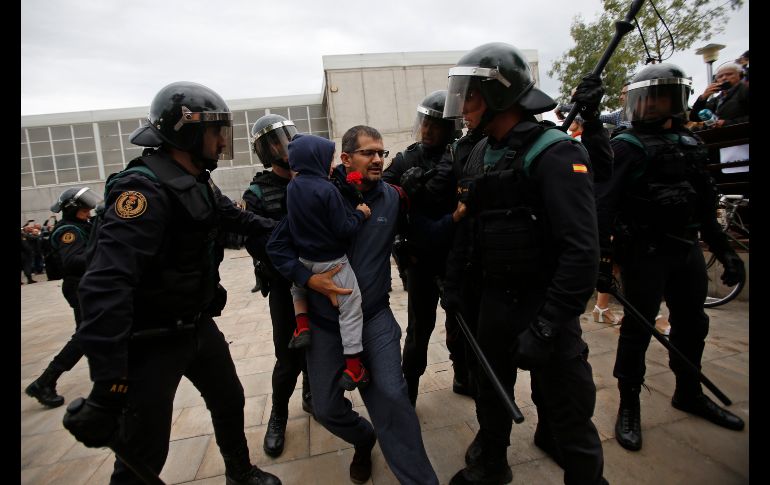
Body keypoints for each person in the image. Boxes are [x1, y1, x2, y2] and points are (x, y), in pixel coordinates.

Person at [61, 81, 281, 485]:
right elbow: (106, 285)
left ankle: (240, 472)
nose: (222, 142)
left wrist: (290, 232)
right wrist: (108, 384)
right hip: (150, 341)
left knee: (228, 399)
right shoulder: (142, 189)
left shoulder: (196, 178)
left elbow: (238, 219)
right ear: (188, 131)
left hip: (195, 324)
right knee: (145, 449)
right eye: (217, 132)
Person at [441, 42, 608, 485]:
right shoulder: (480, 152)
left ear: (498, 95)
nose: (464, 108)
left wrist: (550, 324)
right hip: (494, 300)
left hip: (543, 304)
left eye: (471, 96)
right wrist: (454, 287)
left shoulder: (554, 152)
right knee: (490, 394)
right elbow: (468, 227)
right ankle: (492, 463)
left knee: (570, 414)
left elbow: (581, 252)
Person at [267, 125, 439, 485]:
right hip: (326, 325)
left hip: (374, 317)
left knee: (392, 396)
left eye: (381, 152)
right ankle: (364, 440)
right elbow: (278, 248)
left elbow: (423, 235)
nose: (377, 159)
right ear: (345, 160)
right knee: (327, 409)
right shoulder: (318, 196)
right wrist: (308, 278)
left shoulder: (393, 199)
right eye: (368, 153)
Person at [595, 63, 746, 453]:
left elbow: (704, 203)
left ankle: (689, 392)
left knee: (693, 324)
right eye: (648, 99)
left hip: (686, 251)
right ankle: (629, 405)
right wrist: (601, 262)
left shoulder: (691, 145)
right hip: (645, 254)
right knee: (638, 330)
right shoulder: (626, 145)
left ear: (676, 100)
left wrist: (726, 251)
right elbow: (604, 207)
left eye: (663, 98)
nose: (655, 106)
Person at [382, 90, 472, 405]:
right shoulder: (406, 158)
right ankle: (409, 390)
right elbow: (380, 198)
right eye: (424, 122)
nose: (426, 130)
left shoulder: (462, 157)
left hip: (455, 258)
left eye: (435, 124)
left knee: (459, 324)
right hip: (420, 258)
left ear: (451, 126)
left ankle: (463, 374)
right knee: (419, 330)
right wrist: (401, 189)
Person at [242, 113, 314, 458]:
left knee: (319, 347)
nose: (284, 146)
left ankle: (312, 394)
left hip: (321, 282)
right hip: (285, 287)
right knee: (287, 357)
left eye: (286, 137)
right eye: (274, 142)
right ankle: (278, 415)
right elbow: (258, 244)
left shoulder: (313, 178)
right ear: (264, 150)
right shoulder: (256, 192)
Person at [283, 132, 373, 396]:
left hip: (304, 260)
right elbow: (343, 228)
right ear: (316, 159)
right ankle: (354, 366)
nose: (331, 164)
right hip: (333, 264)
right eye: (328, 158)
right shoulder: (327, 189)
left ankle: (302, 325)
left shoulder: (292, 187)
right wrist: (360, 214)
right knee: (351, 308)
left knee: (297, 287)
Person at [25, 187, 101, 408]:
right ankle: (44, 382)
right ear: (73, 208)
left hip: (87, 286)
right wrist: (102, 251)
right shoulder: (68, 231)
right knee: (86, 336)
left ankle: (47, 381)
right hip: (80, 287)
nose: (89, 211)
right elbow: (73, 262)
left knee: (91, 336)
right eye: (85, 208)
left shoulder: (81, 226)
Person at [688, 62, 749, 128]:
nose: (724, 78)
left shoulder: (745, 91)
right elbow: (694, 117)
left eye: (729, 74)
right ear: (716, 81)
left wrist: (727, 123)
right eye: (720, 76)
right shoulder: (716, 100)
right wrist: (703, 98)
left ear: (740, 76)